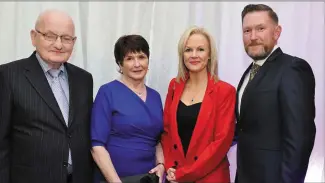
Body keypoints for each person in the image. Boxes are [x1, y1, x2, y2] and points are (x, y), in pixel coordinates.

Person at [0, 10, 94, 183]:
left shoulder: (84, 79)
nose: (58, 45)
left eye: (66, 38)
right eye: (50, 36)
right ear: (34, 37)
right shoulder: (8, 76)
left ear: (74, 42)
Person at [235, 4, 316, 183]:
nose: (253, 37)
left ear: (277, 32)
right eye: (247, 30)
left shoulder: (292, 69)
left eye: (260, 28)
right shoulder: (249, 73)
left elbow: (299, 139)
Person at [161, 26, 236, 183]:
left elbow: (221, 144)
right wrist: (169, 167)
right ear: (182, 54)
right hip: (175, 175)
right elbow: (167, 132)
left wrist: (185, 174)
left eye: (200, 49)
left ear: (209, 55)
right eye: (188, 50)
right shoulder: (174, 86)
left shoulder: (225, 91)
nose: (194, 55)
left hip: (210, 178)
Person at [90, 34, 165, 183]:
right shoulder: (107, 92)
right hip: (114, 179)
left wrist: (161, 165)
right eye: (129, 58)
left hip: (148, 179)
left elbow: (157, 140)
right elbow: (96, 146)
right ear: (120, 64)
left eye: (141, 57)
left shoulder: (155, 96)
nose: (137, 64)